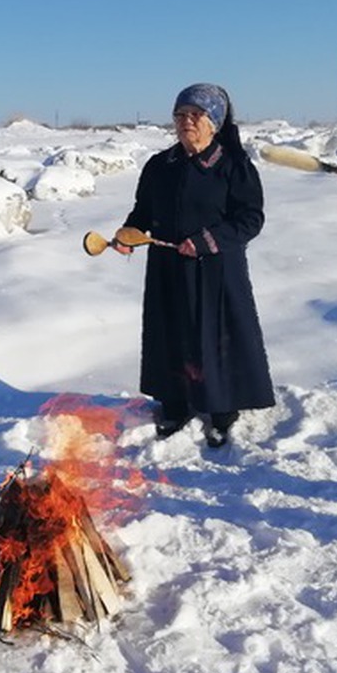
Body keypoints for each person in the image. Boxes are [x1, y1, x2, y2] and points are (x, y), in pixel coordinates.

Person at [113, 83, 274, 447]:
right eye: (180, 115)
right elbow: (143, 212)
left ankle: (221, 409)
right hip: (167, 268)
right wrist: (130, 234)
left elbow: (251, 219)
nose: (186, 121)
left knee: (215, 338)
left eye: (195, 115)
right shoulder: (159, 166)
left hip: (217, 271)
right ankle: (176, 403)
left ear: (214, 122)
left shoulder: (234, 166)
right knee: (171, 334)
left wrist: (205, 242)